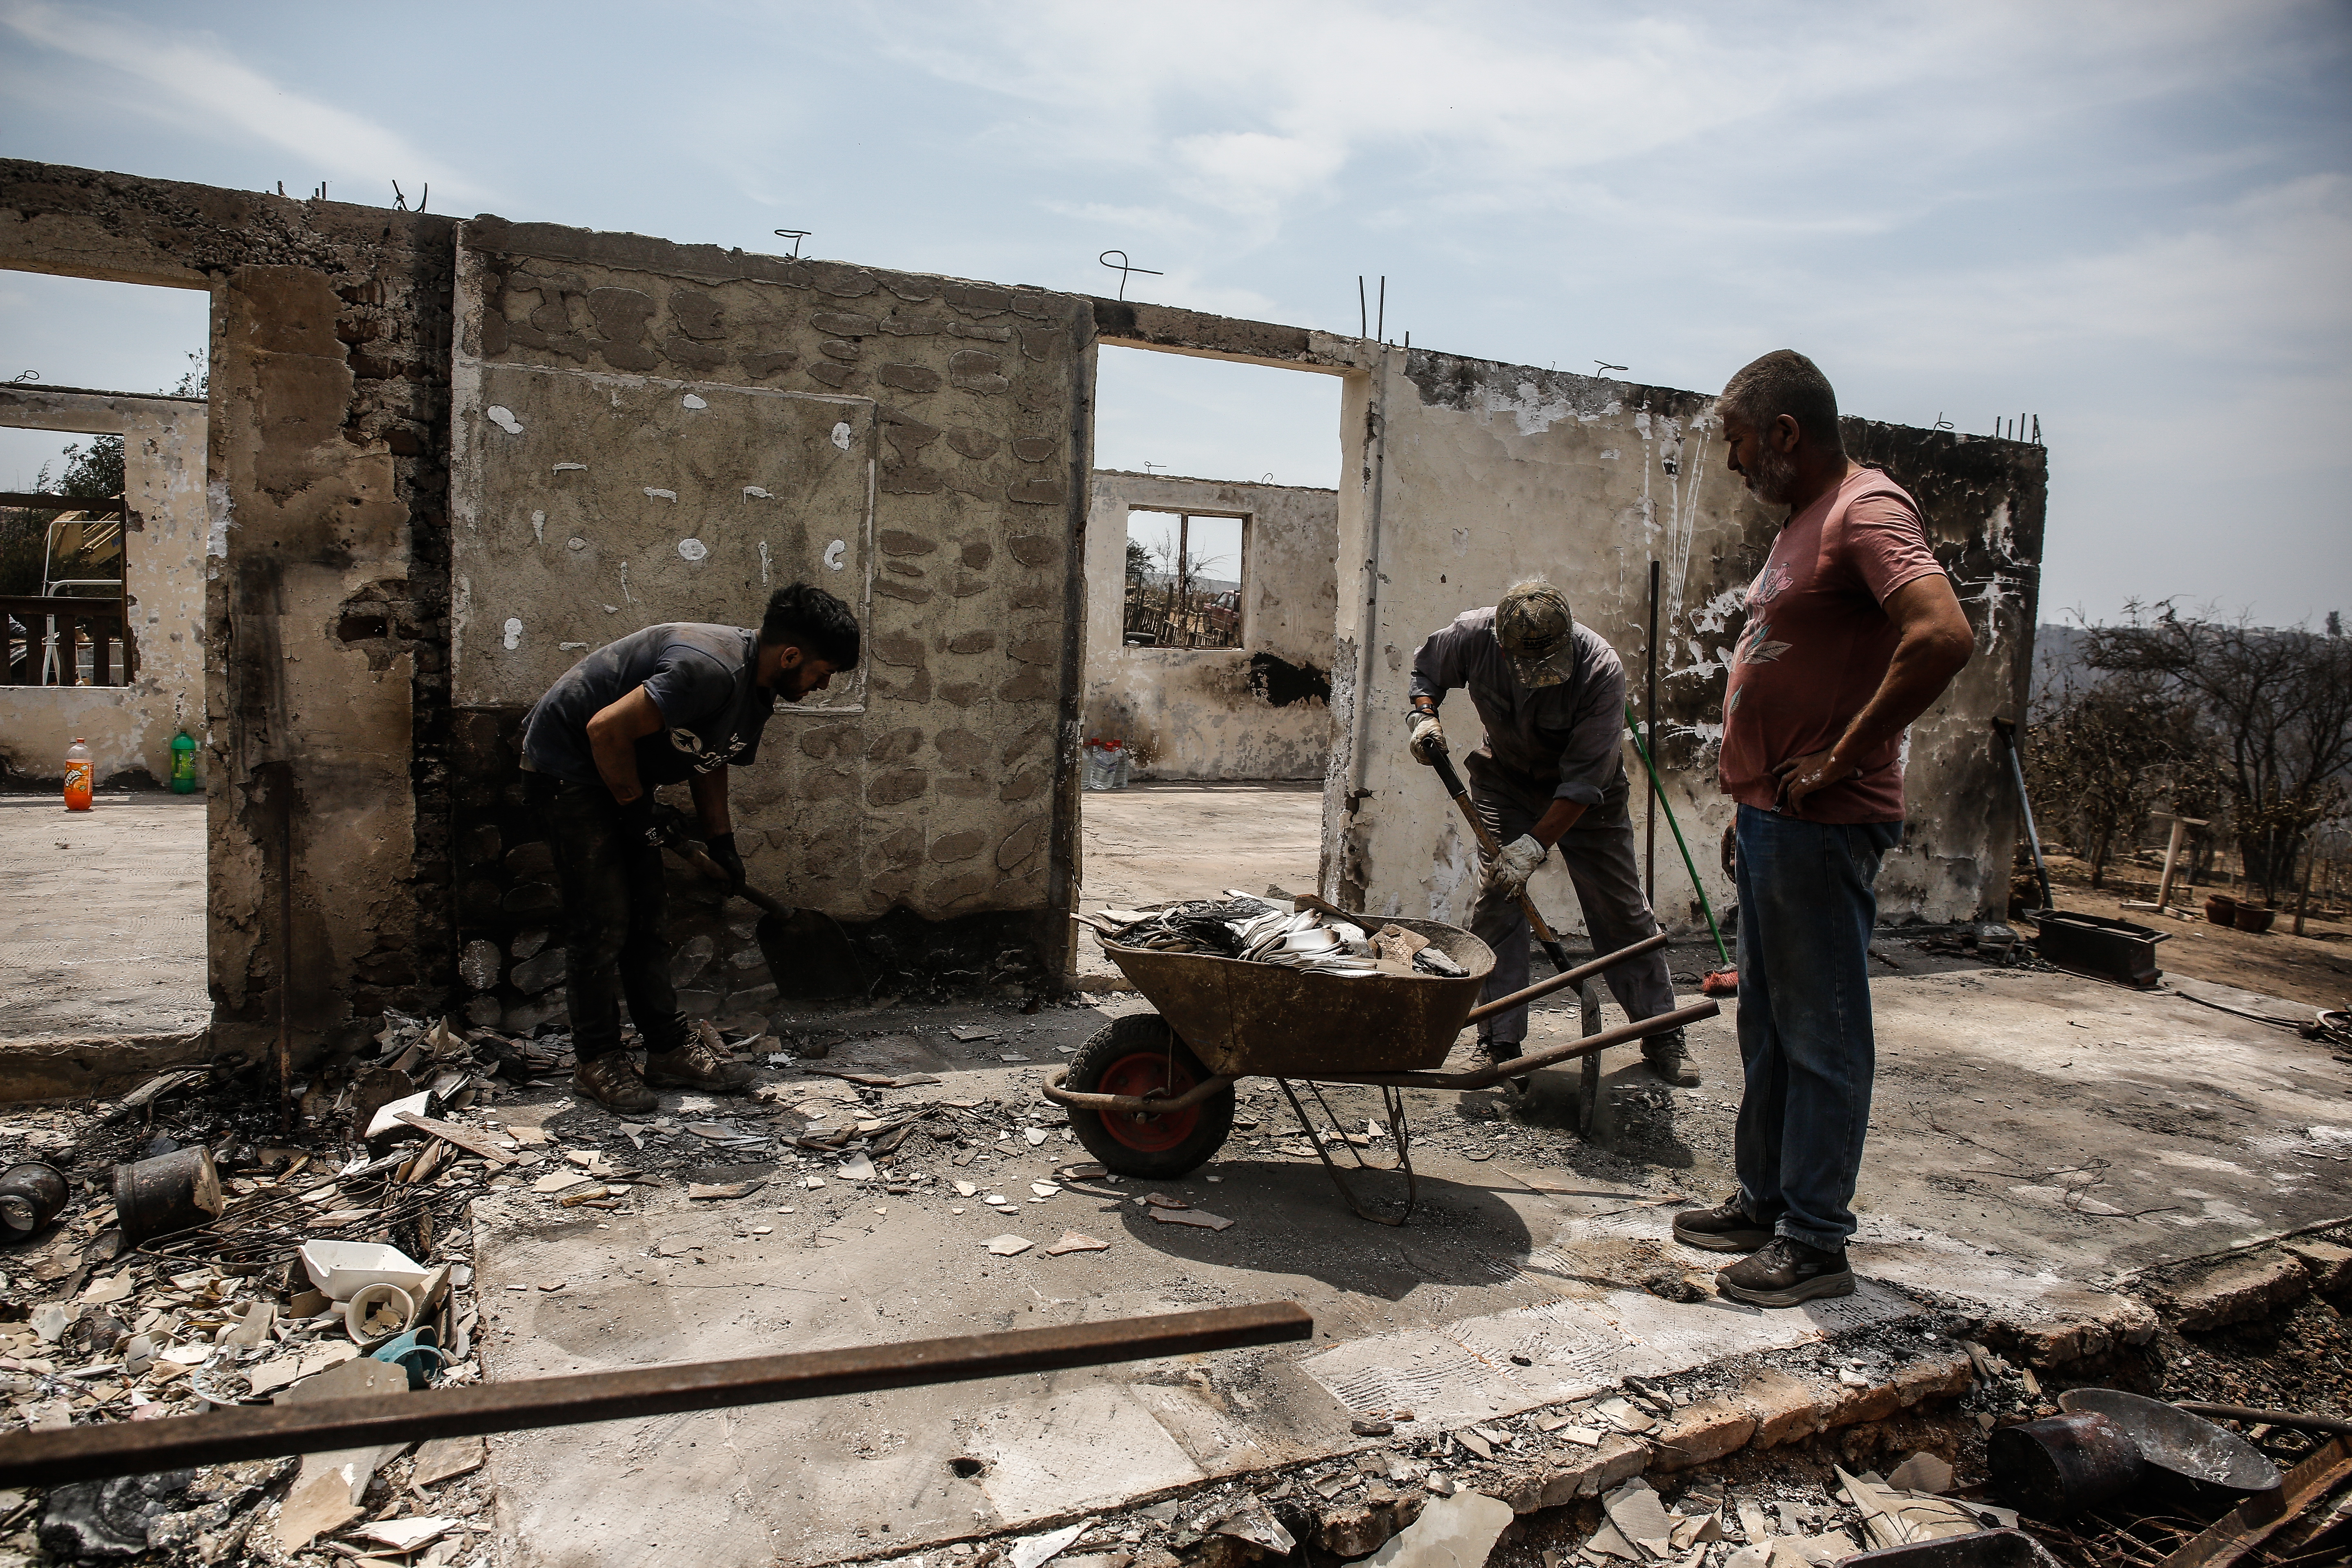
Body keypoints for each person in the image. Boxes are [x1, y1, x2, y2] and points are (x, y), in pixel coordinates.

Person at [1672, 350, 1974, 1306]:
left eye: (1733, 440)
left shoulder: (1865, 509)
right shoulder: (1801, 523)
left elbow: (1940, 633)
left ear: (1782, 434)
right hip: (1773, 818)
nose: (1728, 462)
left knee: (1820, 1029)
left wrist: (1839, 759)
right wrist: (1749, 800)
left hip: (1823, 820)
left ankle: (1813, 1239)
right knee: (1764, 1021)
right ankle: (1763, 1201)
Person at [519, 583, 862, 1113]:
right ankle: (596, 1060)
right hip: (569, 769)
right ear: (791, 656)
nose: (823, 684)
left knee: (649, 921)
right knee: (603, 921)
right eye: (824, 671)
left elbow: (710, 757)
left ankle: (667, 1050)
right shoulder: (708, 670)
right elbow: (604, 729)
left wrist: (723, 844)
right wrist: (638, 811)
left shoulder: (757, 689)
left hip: (619, 775)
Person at [1407, 581, 1696, 1089]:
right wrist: (1423, 717)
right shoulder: (1472, 636)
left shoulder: (1600, 669)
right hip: (1505, 781)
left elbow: (1584, 782)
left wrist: (1535, 846)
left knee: (1621, 908)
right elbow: (1426, 674)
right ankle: (1498, 1041)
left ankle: (1662, 1031)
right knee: (1499, 898)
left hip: (1588, 796)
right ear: (1502, 643)